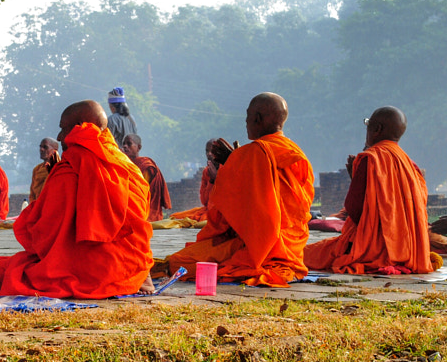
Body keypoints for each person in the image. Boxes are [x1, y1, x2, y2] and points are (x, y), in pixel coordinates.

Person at [0, 100, 154, 299]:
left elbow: (41, 235)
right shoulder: (128, 167)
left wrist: (54, 183)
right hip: (132, 269)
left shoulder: (68, 171)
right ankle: (139, 276)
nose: (59, 136)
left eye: (63, 129)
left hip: (87, 272)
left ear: (80, 127)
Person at [165, 93, 314, 287]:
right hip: (291, 248)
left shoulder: (253, 152)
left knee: (179, 262)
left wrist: (228, 169)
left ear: (257, 118)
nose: (245, 121)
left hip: (255, 247)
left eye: (248, 115)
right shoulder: (296, 153)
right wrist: (234, 163)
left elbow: (232, 212)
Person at [304, 107, 432, 274]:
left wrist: (355, 179)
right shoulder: (410, 164)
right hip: (410, 252)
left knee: (303, 254)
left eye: (368, 124)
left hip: (372, 250)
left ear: (377, 129)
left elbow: (355, 211)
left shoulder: (372, 159)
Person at [121, 133, 171, 222]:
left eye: (129, 144)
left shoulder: (146, 166)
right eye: (123, 144)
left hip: (146, 210)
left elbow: (141, 192)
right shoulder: (125, 164)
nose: (125, 146)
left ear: (139, 147)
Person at [170, 139, 219, 222]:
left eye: (212, 151)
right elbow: (204, 201)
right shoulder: (206, 172)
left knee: (205, 220)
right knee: (175, 216)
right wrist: (211, 181)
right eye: (207, 151)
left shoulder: (226, 168)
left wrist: (216, 178)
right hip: (208, 208)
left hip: (222, 210)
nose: (209, 154)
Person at [29, 137, 60, 203]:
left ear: (55, 150)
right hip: (38, 207)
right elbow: (32, 194)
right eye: (40, 147)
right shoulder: (37, 169)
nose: (41, 150)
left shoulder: (60, 168)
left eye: (45, 147)